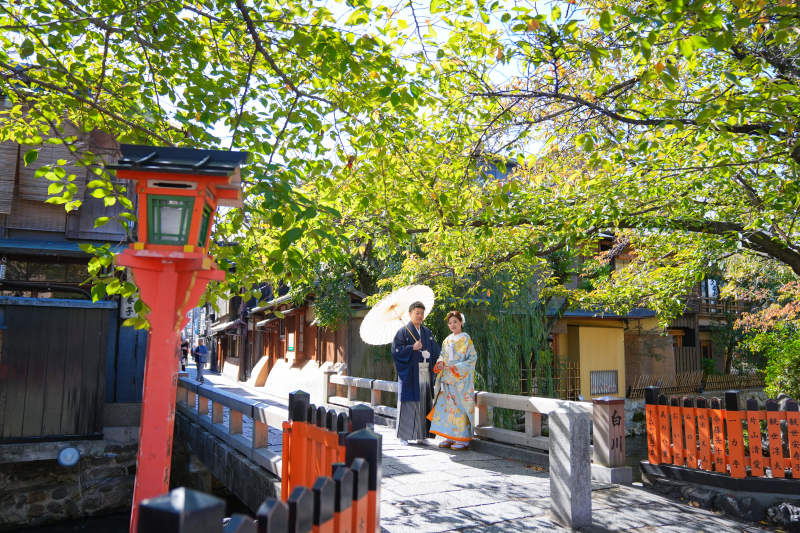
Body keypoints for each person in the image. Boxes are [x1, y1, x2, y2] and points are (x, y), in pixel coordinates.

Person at [391, 301, 440, 445]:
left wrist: (437, 359)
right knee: (409, 403)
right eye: (417, 313)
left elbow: (435, 350)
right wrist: (411, 347)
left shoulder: (427, 332)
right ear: (410, 314)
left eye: (422, 313)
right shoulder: (402, 332)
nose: (420, 315)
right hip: (410, 373)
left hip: (424, 371)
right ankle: (404, 436)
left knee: (424, 401)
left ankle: (422, 435)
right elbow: (396, 351)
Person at [428, 311, 477, 450]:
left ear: (461, 322)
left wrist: (457, 367)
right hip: (447, 379)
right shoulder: (447, 340)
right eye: (450, 323)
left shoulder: (466, 339)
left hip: (460, 381)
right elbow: (442, 354)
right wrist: (440, 362)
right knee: (448, 408)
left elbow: (472, 358)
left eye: (455, 321)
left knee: (460, 408)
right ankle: (450, 436)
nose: (452, 325)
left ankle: (463, 438)